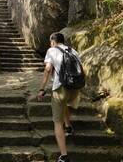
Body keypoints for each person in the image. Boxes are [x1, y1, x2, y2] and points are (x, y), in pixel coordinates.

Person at [37, 32, 81, 162]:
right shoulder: (73, 51)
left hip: (60, 88)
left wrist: (41, 89)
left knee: (57, 122)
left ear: (53, 42)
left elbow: (48, 69)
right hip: (75, 88)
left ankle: (64, 156)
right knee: (65, 103)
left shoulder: (52, 50)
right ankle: (68, 125)